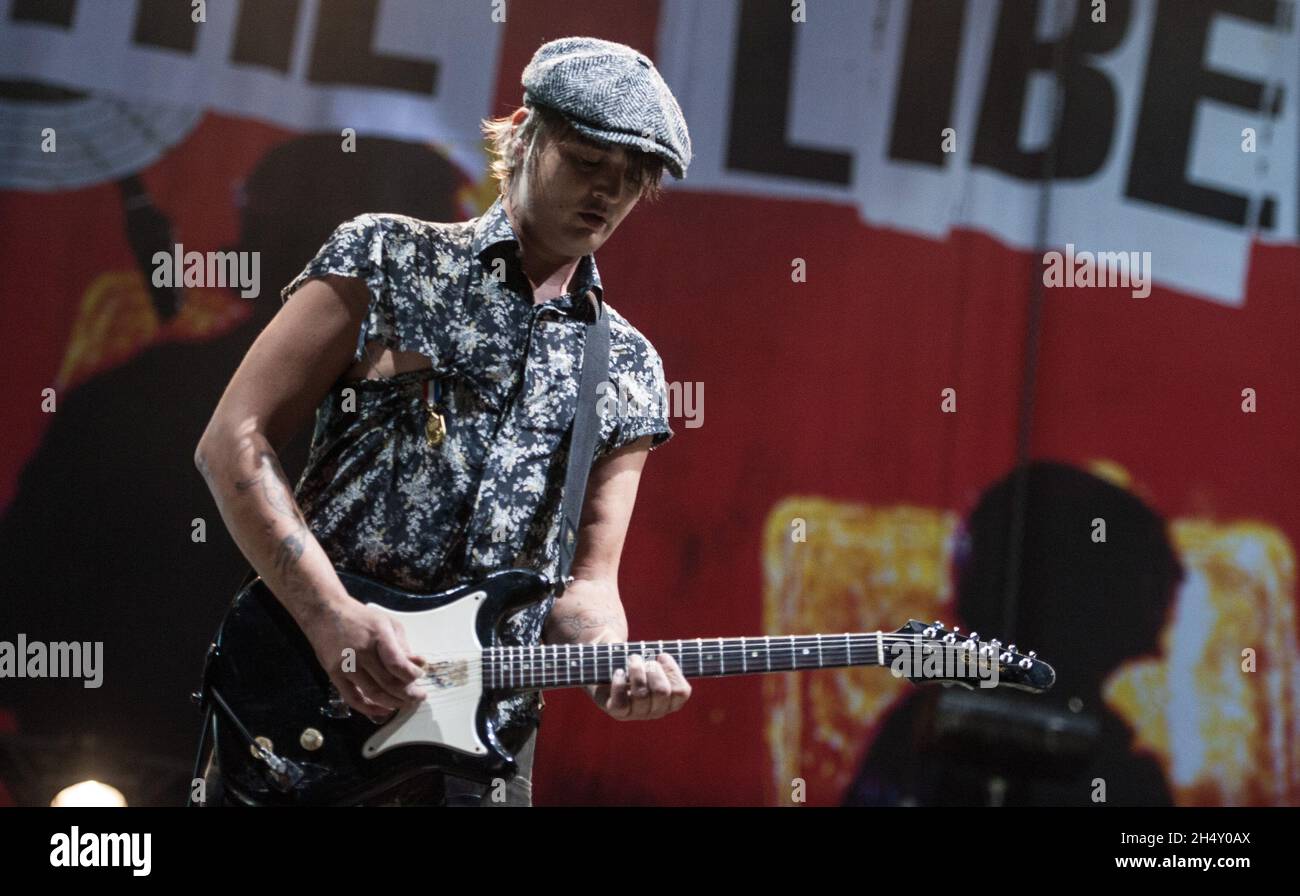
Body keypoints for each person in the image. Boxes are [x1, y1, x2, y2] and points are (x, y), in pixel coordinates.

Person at [194, 36, 695, 806]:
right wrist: (331, 619)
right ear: (523, 135)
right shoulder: (387, 257)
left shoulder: (628, 366)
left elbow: (587, 589)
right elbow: (233, 440)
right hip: (304, 700)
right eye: (587, 163)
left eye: (629, 182)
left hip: (475, 751)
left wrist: (613, 668)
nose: (605, 194)